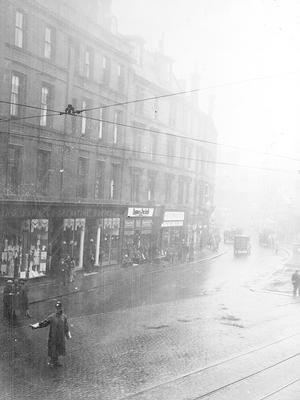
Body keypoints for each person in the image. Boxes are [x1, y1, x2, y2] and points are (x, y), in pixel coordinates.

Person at [31, 300, 71, 367]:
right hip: (53, 337)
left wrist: (68, 335)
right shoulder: (52, 317)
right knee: (53, 349)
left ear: (61, 308)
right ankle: (52, 362)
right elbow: (44, 323)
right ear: (55, 309)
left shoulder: (64, 317)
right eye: (57, 308)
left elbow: (66, 326)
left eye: (59, 308)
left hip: (60, 337)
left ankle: (56, 361)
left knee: (58, 349)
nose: (58, 309)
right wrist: (36, 326)